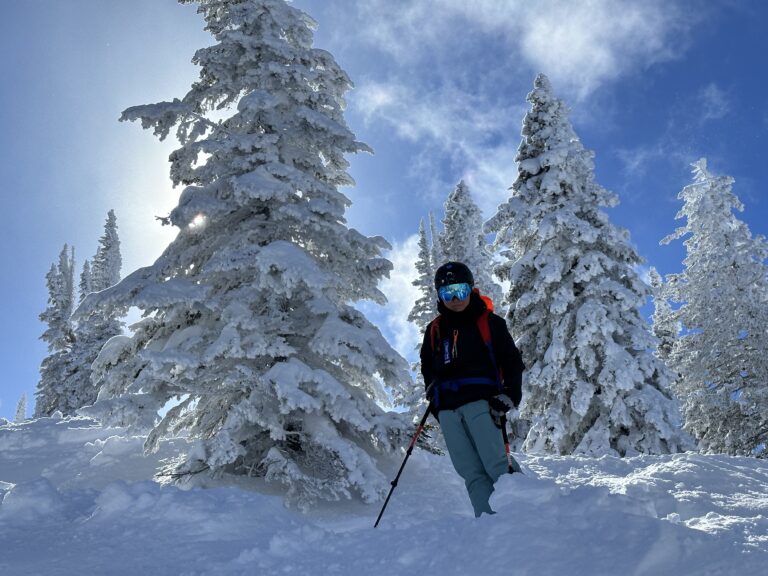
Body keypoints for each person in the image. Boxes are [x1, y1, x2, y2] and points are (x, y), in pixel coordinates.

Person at [420, 261, 525, 517]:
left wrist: (510, 394)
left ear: (471, 289)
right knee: (470, 472)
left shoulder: (490, 322)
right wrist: (434, 399)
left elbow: (511, 360)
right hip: (447, 411)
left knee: (496, 463)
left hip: (482, 403)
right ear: (439, 296)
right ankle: (489, 527)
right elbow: (427, 368)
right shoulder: (434, 330)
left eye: (460, 290)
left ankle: (526, 514)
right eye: (447, 293)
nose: (455, 298)